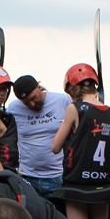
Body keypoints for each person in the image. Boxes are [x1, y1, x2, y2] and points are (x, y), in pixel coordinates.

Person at [50, 63, 110, 219]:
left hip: (77, 183)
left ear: (72, 88)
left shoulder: (75, 109)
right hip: (103, 183)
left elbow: (55, 147)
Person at [7, 75, 71, 206]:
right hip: (28, 177)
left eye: (33, 98)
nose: (32, 104)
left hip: (58, 176)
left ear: (39, 87)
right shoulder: (13, 109)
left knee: (60, 216)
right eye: (26, 103)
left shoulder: (62, 101)